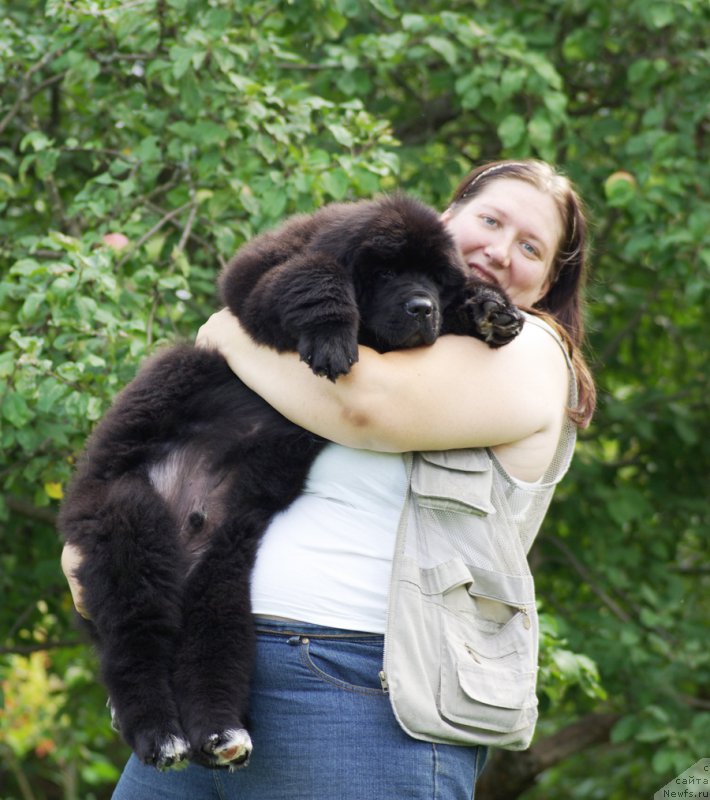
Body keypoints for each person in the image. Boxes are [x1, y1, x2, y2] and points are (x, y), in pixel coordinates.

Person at [62, 158, 595, 799]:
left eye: (531, 246)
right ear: (448, 219)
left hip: (354, 688)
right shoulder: (390, 300)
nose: (502, 249)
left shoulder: (527, 351)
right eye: (490, 220)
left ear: (548, 283)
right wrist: (107, 542)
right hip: (213, 660)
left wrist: (228, 330)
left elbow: (362, 406)